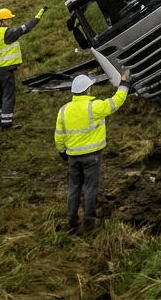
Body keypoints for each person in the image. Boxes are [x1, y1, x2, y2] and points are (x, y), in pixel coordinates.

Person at [55, 68, 131, 233]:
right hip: (92, 158)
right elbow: (116, 101)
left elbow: (59, 135)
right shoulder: (94, 107)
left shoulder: (64, 110)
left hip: (73, 157)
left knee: (73, 189)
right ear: (88, 90)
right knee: (90, 189)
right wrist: (124, 84)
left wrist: (62, 152)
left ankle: (72, 225)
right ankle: (89, 225)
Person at [0, 5, 47, 130]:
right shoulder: (7, 34)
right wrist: (37, 17)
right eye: (8, 20)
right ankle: (6, 123)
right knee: (8, 95)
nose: (10, 22)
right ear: (2, 21)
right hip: (5, 70)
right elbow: (24, 29)